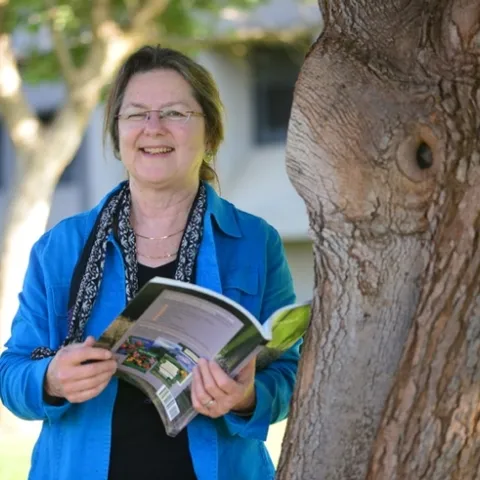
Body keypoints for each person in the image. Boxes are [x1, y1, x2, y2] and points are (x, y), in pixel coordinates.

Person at [0, 46, 300, 480]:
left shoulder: (256, 241)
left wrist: (249, 397)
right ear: (118, 134)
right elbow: (12, 372)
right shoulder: (60, 246)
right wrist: (50, 379)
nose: (153, 128)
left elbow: (290, 370)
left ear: (210, 132)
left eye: (176, 113)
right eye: (136, 114)